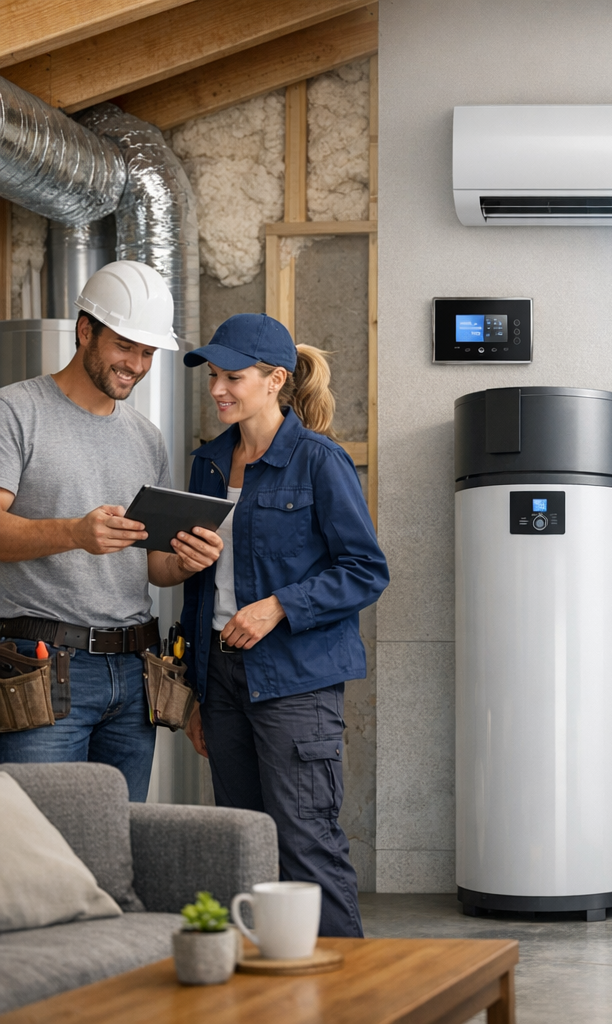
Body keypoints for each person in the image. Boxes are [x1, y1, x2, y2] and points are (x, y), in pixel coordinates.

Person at [179, 313, 388, 938]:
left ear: (274, 380)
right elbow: (198, 584)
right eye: (213, 376)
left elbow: (366, 570)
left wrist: (279, 606)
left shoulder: (319, 461)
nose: (218, 389)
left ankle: (348, 997)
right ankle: (271, 991)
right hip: (222, 678)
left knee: (306, 842)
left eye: (232, 377)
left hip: (297, 683)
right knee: (245, 842)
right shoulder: (209, 464)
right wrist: (197, 689)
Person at [0, 261, 223, 800]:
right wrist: (74, 533)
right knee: (46, 853)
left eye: (147, 353)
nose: (137, 365)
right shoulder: (16, 410)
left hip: (134, 674)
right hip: (44, 670)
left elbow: (152, 565)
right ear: (85, 331)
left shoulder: (146, 437)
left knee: (117, 848)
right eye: (126, 346)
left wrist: (185, 561)